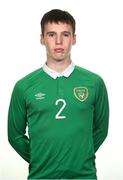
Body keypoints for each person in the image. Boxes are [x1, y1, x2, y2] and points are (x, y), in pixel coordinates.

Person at [8, 9, 109, 179]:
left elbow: (101, 130)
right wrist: (40, 156)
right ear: (42, 39)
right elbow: (15, 136)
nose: (59, 41)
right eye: (51, 34)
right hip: (41, 176)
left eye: (66, 34)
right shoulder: (23, 86)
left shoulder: (94, 83)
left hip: (84, 176)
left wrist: (80, 155)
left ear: (74, 39)